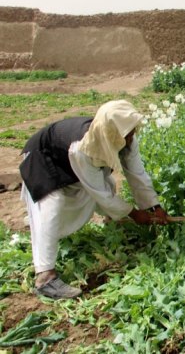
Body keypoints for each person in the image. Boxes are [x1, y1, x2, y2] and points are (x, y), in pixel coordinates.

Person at [20, 100, 168, 299]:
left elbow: (137, 174)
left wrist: (153, 206)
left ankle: (113, 225)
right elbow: (100, 194)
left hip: (68, 163)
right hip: (43, 159)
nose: (133, 135)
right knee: (51, 206)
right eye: (128, 132)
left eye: (133, 129)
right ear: (112, 132)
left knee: (108, 185)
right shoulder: (82, 147)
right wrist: (134, 214)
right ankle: (45, 277)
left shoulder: (126, 137)